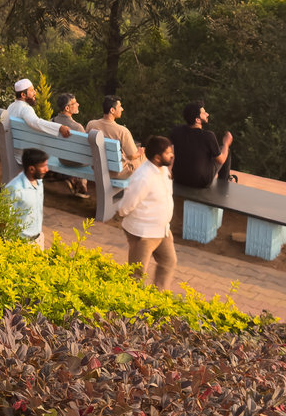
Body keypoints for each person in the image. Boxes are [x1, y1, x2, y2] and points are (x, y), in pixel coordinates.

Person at [118, 134, 178, 290]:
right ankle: (129, 309)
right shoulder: (143, 176)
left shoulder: (163, 170)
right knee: (136, 275)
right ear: (157, 158)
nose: (172, 155)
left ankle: (157, 298)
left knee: (168, 261)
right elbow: (126, 205)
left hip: (162, 230)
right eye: (168, 153)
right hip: (143, 234)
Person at [169, 101, 233, 188]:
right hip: (200, 182)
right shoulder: (208, 136)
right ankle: (223, 186)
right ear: (197, 119)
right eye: (204, 113)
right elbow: (221, 160)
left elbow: (171, 154)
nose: (207, 114)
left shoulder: (176, 131)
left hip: (179, 179)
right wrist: (226, 143)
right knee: (226, 151)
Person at [3, 147, 51, 249]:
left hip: (38, 239)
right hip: (21, 244)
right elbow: (4, 220)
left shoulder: (39, 182)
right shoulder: (14, 189)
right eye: (43, 166)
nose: (47, 169)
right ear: (31, 169)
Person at [87, 95, 143, 179]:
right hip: (116, 172)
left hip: (97, 168)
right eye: (120, 106)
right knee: (142, 157)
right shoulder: (122, 131)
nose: (122, 109)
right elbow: (132, 156)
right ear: (112, 110)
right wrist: (140, 153)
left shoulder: (91, 124)